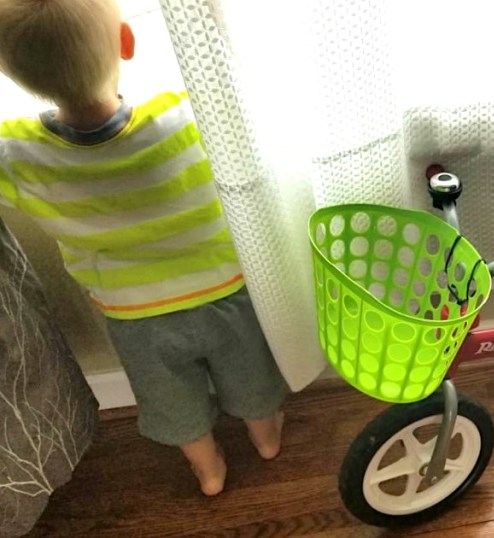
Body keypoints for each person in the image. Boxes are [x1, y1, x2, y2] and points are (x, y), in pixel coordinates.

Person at [0, 0, 288, 496]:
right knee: (252, 374)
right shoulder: (184, 115)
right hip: (224, 291)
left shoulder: (18, 154)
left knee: (172, 400)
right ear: (127, 43)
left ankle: (209, 470)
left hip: (134, 313)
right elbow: (240, 82)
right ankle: (266, 439)